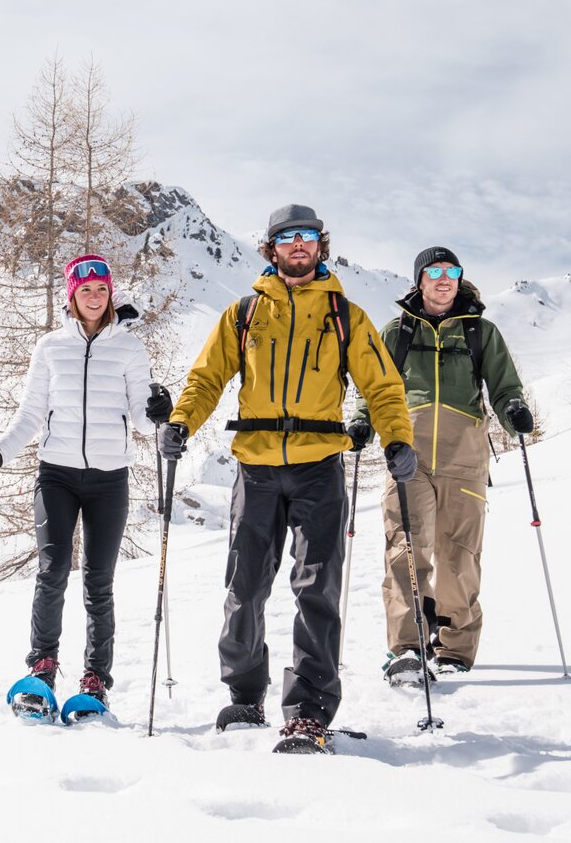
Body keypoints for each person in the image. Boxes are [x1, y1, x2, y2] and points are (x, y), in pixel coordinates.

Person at [158, 204, 414, 748]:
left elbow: (383, 387)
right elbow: (207, 377)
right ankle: (244, 696)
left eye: (308, 237)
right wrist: (181, 421)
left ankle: (310, 711)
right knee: (245, 585)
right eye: (286, 238)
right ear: (271, 248)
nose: (298, 245)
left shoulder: (346, 315)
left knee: (316, 585)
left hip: (319, 464)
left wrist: (397, 439)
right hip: (256, 467)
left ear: (322, 245)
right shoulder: (244, 313)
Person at [0, 254, 171, 708]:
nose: (95, 297)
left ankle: (95, 679)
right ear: (71, 295)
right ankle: (41, 668)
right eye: (86, 290)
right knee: (53, 570)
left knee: (98, 581)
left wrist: (160, 414)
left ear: (110, 293)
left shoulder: (130, 348)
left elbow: (142, 419)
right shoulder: (50, 348)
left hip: (108, 480)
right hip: (56, 475)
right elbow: (31, 414)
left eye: (101, 289)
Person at [348, 246, 533, 680]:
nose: (444, 278)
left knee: (459, 555)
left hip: (464, 457)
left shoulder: (480, 332)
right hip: (406, 452)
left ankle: (454, 650)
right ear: (420, 281)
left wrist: (516, 412)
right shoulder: (396, 332)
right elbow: (374, 390)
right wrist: (362, 424)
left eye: (452, 270)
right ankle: (407, 649)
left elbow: (505, 388)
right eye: (435, 271)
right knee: (405, 548)